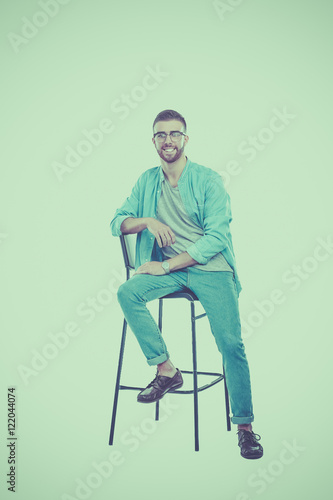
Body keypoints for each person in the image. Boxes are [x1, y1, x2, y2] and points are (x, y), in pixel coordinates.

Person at [110, 109, 263, 459]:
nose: (168, 141)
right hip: (171, 270)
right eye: (161, 135)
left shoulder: (208, 180)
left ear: (185, 139)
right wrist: (147, 220)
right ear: (153, 141)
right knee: (127, 292)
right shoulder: (147, 181)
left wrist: (168, 266)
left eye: (174, 134)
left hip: (212, 270)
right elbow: (116, 222)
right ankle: (166, 369)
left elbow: (217, 237)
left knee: (230, 344)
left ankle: (245, 427)